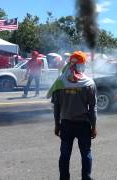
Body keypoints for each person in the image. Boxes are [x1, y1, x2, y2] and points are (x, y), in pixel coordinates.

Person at [48, 51, 97, 180]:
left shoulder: (59, 82)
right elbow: (92, 108)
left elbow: (56, 106)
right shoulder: (89, 83)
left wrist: (57, 124)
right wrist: (94, 126)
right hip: (83, 125)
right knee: (86, 152)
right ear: (82, 65)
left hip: (66, 124)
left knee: (64, 154)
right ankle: (86, 178)